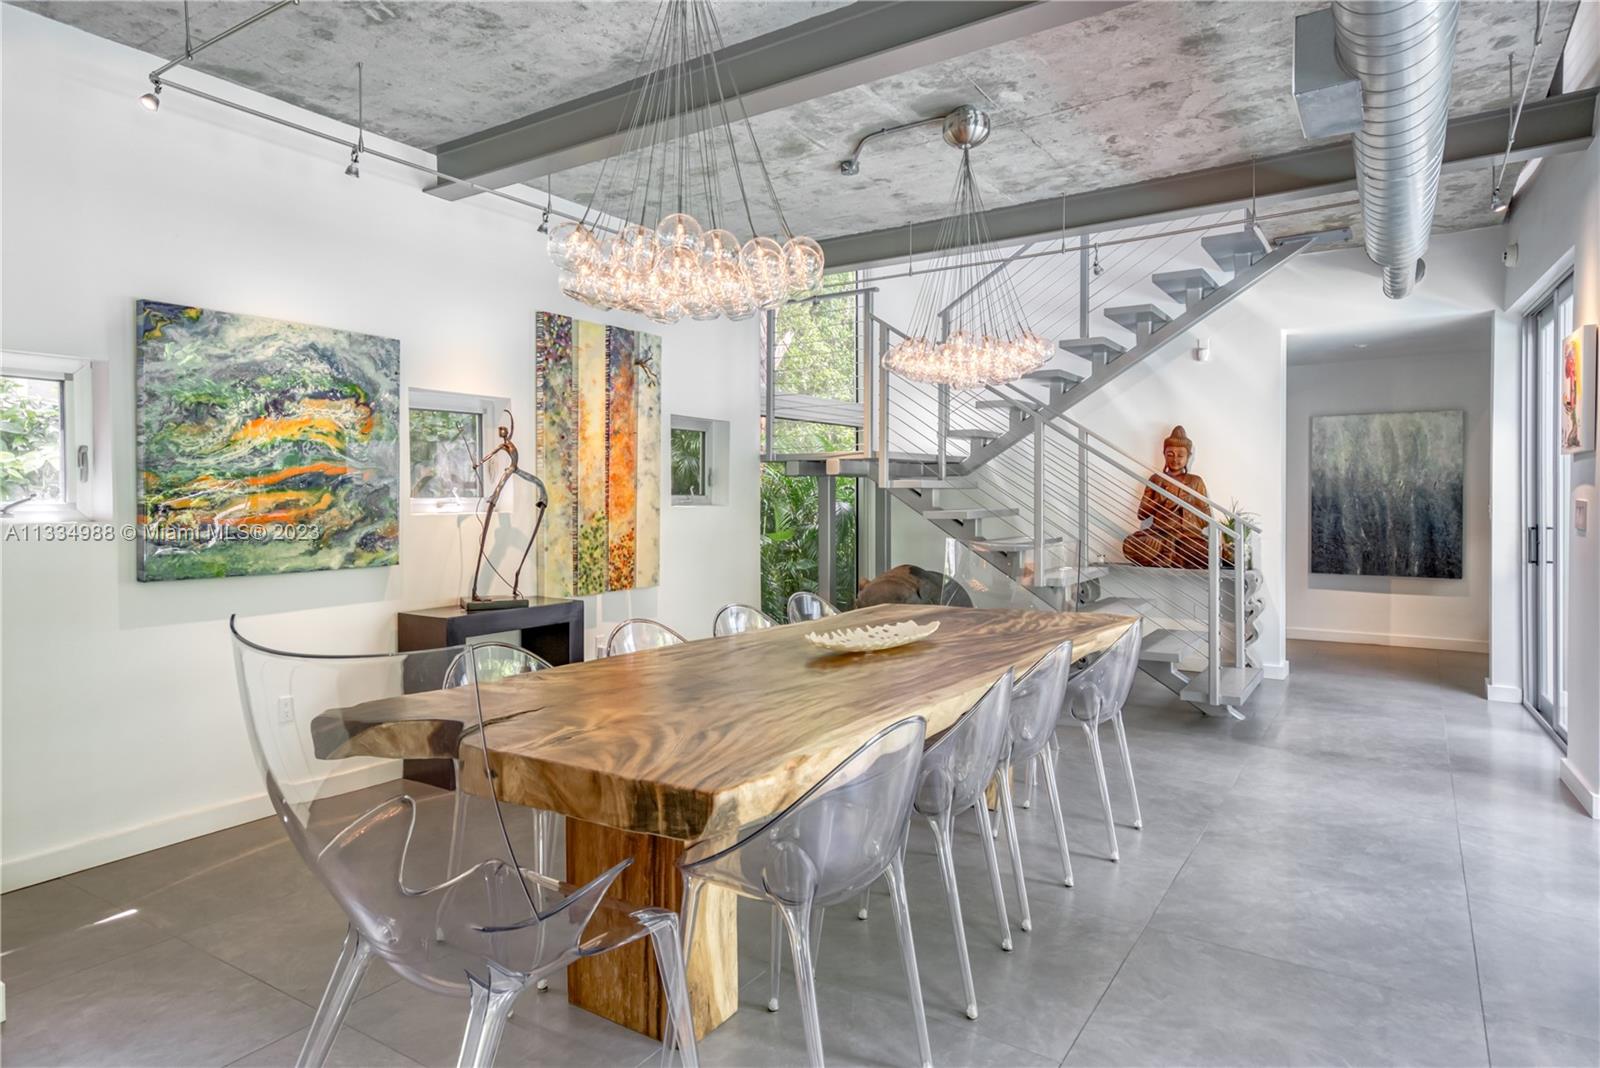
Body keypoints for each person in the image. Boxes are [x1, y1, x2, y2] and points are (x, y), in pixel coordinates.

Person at [1121, 425, 1215, 569]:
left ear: (1188, 457)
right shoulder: (1156, 479)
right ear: (1164, 454)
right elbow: (1142, 514)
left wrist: (1186, 505)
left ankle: (1170, 555)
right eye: (1170, 454)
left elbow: (1207, 519)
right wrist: (1161, 501)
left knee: (1210, 552)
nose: (1175, 459)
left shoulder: (1195, 481)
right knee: (1130, 545)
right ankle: (1175, 555)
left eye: (1180, 455)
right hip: (1160, 535)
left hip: (1188, 538)